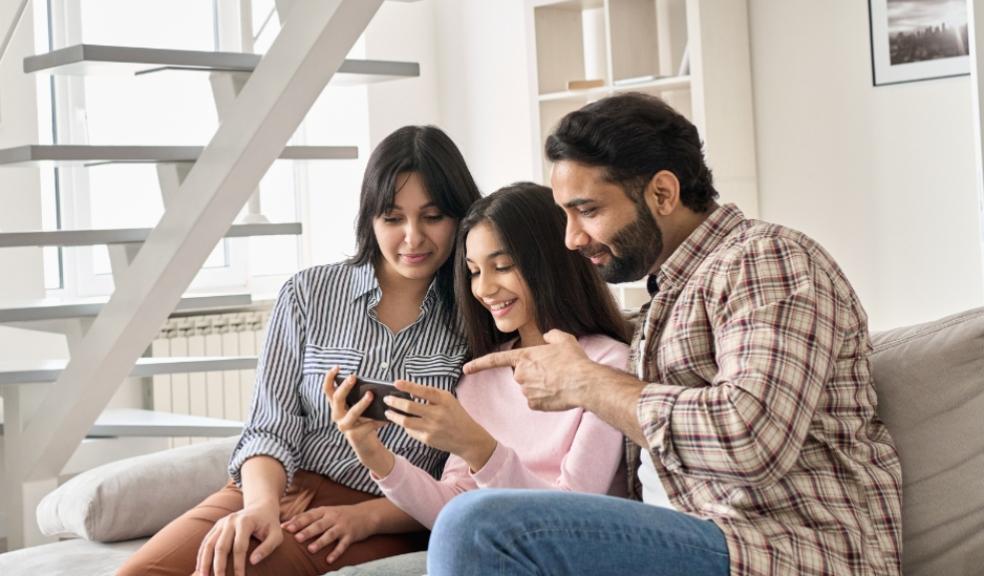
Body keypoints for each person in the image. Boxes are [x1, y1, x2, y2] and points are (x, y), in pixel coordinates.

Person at [427, 93, 904, 576]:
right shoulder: (666, 299)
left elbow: (748, 439)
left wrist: (585, 382)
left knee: (479, 526)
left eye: (587, 210)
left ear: (662, 193)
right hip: (683, 541)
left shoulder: (765, 260)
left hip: (775, 552)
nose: (571, 238)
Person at [117, 124, 481, 576]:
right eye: (392, 217)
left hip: (386, 511)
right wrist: (260, 507)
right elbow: (270, 425)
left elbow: (470, 476)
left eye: (432, 216)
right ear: (370, 218)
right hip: (275, 487)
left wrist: (368, 518)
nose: (412, 237)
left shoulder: (478, 317)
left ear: (460, 217)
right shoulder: (307, 294)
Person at [320, 182, 632, 576]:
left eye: (502, 267)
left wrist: (480, 449)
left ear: (550, 262)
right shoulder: (481, 377)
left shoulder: (606, 366)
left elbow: (567, 521)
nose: (484, 289)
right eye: (474, 272)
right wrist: (375, 455)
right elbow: (453, 509)